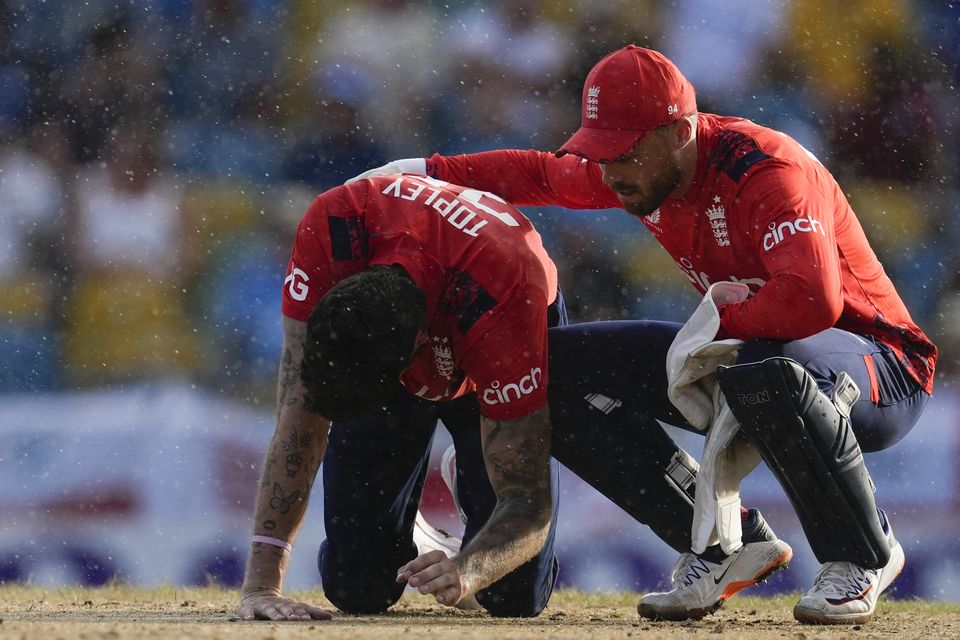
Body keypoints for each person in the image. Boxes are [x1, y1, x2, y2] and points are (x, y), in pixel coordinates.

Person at [351, 46, 937, 625]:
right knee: (541, 370)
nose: (609, 171)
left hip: (883, 370)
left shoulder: (766, 169)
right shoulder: (644, 169)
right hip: (749, 351)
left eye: (623, 153)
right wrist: (416, 174)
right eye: (600, 153)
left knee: (768, 368)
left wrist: (713, 326)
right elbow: (538, 173)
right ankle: (718, 549)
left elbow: (813, 299)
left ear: (679, 132)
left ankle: (865, 554)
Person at [236, 172, 760, 621]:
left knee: (513, 597)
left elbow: (528, 506)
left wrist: (467, 570)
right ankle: (421, 534)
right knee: (357, 588)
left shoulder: (504, 304)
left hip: (492, 315)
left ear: (414, 356)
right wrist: (261, 587)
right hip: (414, 316)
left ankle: (464, 514)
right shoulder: (331, 233)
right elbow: (299, 417)